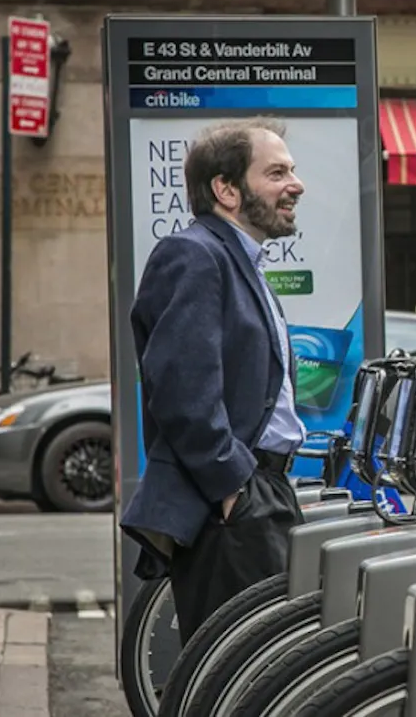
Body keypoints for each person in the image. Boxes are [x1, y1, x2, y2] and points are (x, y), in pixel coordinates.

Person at [119, 117, 308, 645]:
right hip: (232, 506)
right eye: (276, 173)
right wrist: (233, 487)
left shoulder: (236, 259)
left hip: (257, 493)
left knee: (261, 663)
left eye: (291, 171)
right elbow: (180, 388)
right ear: (226, 189)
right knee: (245, 669)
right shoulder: (194, 254)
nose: (295, 184)